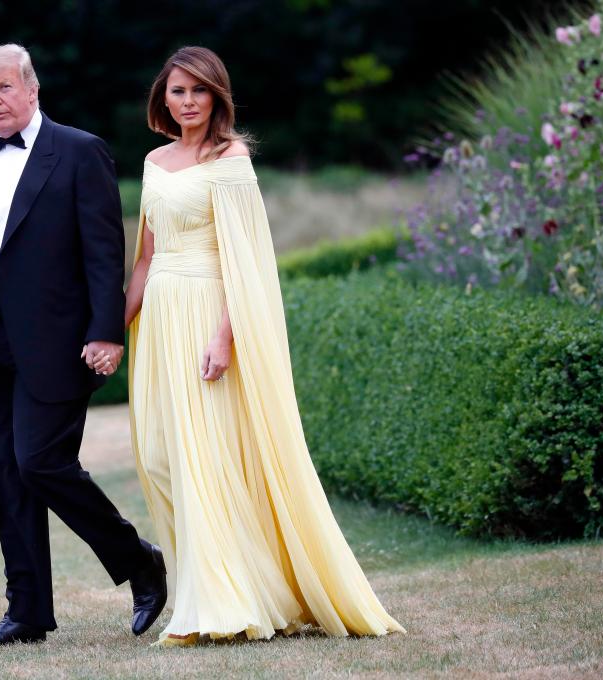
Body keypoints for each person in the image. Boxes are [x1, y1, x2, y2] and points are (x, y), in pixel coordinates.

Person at [109, 46, 406, 645]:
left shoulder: (231, 157)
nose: (187, 102)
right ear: (161, 98)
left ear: (217, 96)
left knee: (208, 460)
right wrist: (113, 328)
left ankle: (225, 602)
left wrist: (226, 336)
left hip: (208, 316)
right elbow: (144, 256)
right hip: (161, 319)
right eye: (177, 91)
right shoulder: (153, 160)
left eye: (198, 91)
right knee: (163, 457)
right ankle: (212, 582)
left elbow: (247, 263)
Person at [0, 43, 167, 651]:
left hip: (60, 340)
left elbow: (103, 251)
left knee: (41, 462)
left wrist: (105, 331)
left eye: (4, 88)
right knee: (8, 477)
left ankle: (139, 560)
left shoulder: (79, 151)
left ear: (32, 88)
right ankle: (27, 613)